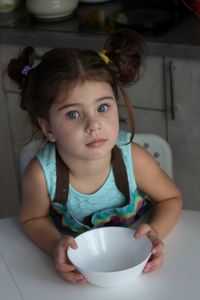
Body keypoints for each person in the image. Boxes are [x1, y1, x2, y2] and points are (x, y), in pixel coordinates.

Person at [7, 29, 182, 285]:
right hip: (80, 273)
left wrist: (155, 232)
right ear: (48, 128)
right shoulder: (42, 175)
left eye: (102, 107)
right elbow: (33, 218)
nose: (93, 124)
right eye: (73, 114)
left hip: (138, 268)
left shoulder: (132, 158)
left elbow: (171, 198)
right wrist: (55, 243)